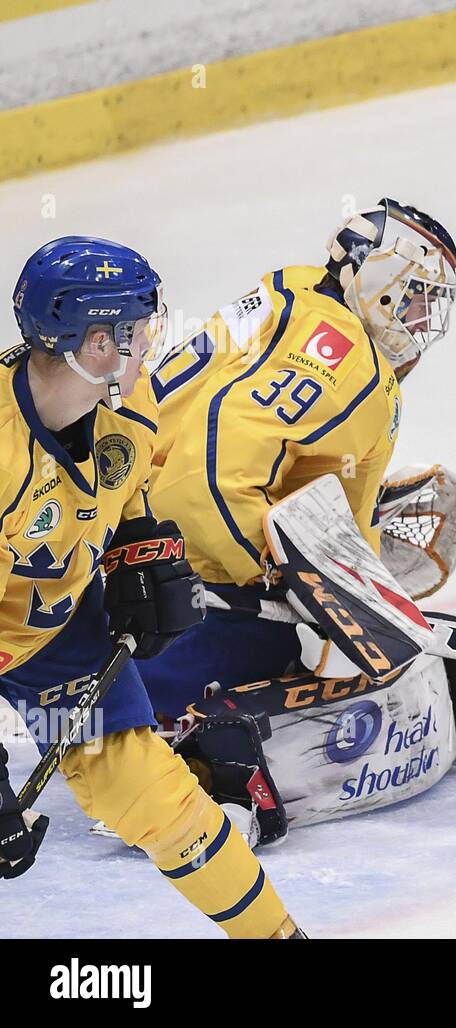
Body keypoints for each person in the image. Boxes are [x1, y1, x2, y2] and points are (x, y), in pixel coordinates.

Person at [131, 201, 456, 847]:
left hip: (124, 546)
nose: (421, 321)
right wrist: (299, 585)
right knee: (340, 680)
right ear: (379, 281)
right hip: (172, 595)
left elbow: (235, 448)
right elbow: (203, 487)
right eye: (416, 298)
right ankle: (188, 754)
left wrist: (334, 543)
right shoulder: (341, 360)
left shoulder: (299, 293)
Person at [0, 236, 300, 936]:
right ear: (96, 344)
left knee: (158, 801)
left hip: (55, 635)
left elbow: (123, 503)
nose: (150, 346)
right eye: (139, 330)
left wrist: (140, 557)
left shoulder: (130, 417)